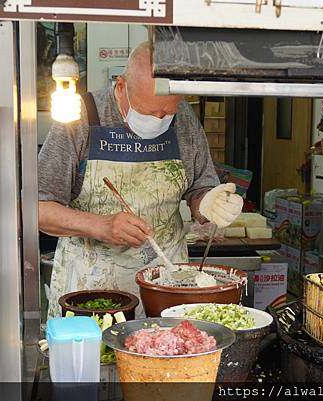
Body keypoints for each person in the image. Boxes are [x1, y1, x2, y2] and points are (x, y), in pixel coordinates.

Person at [38, 42, 243, 319]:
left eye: (166, 113)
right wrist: (101, 226)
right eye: (149, 112)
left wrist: (208, 203)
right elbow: (38, 209)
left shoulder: (183, 120)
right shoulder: (79, 117)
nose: (159, 120)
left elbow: (200, 187)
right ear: (121, 86)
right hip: (90, 289)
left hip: (167, 285)